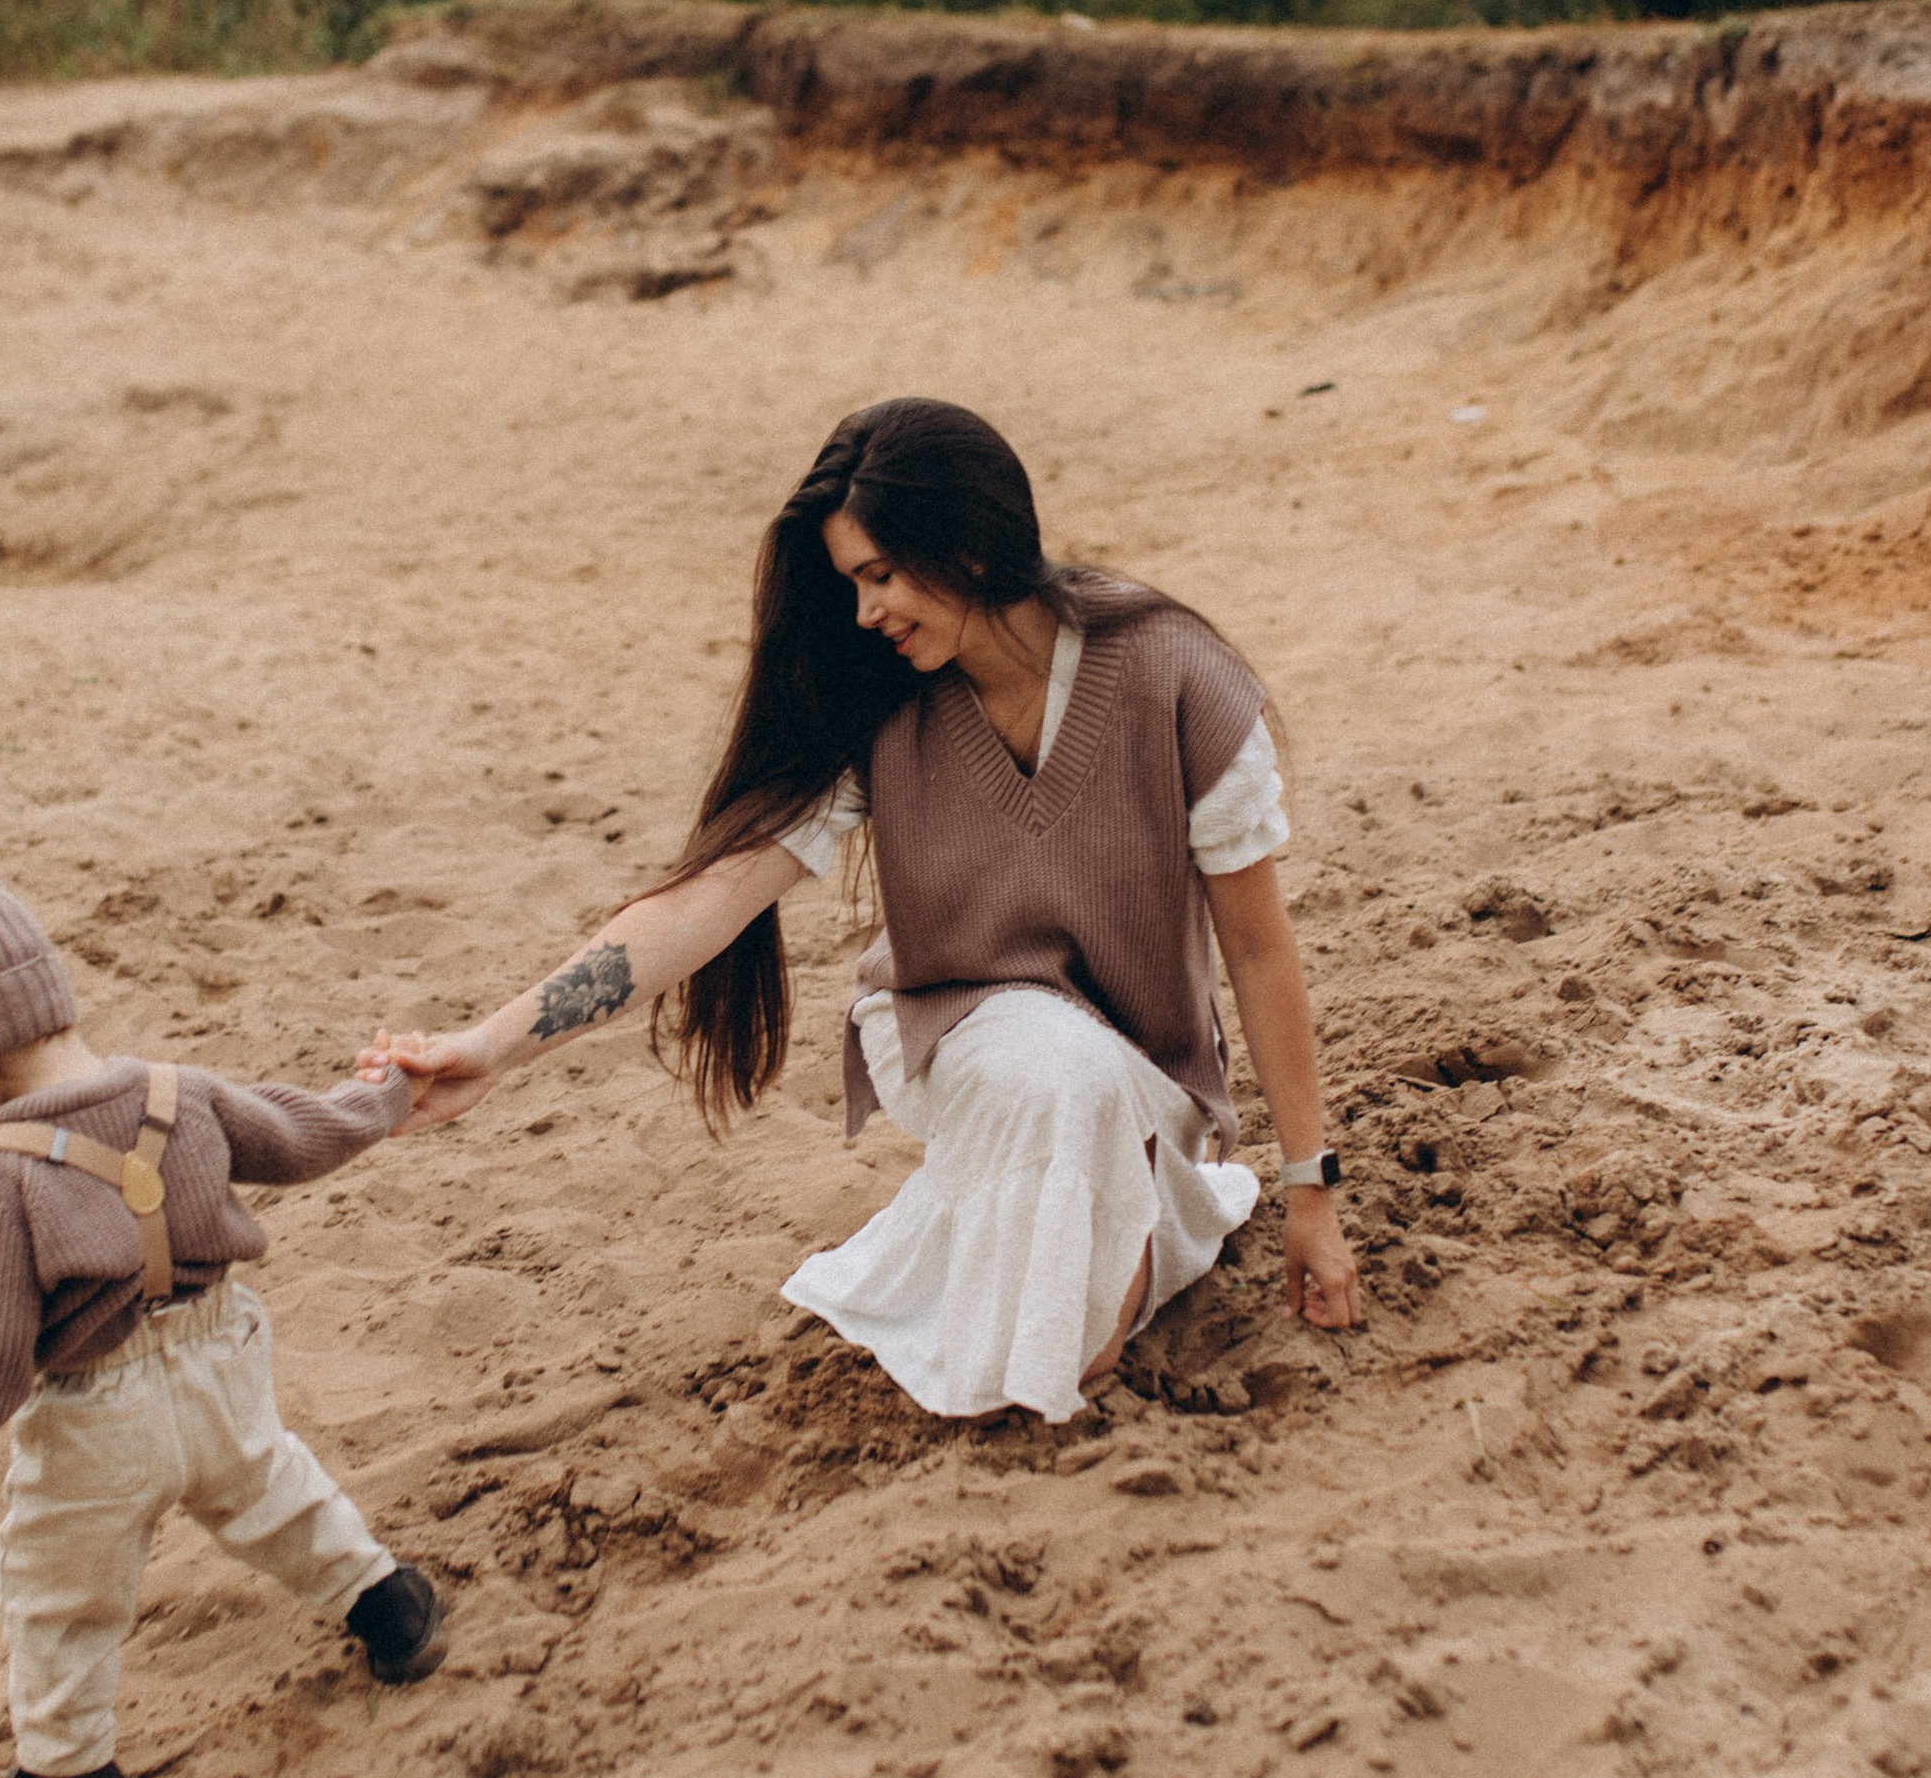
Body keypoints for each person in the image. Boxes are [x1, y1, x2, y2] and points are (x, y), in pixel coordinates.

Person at [370, 399, 1362, 1423]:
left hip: (1145, 1062)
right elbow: (706, 901)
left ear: (971, 547)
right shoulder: (879, 700)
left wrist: (1308, 1191)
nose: (863, 614)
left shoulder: (1177, 676)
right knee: (1055, 1114)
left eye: (879, 575)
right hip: (970, 1026)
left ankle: (1132, 1206)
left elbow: (1257, 950)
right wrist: (491, 1046)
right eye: (851, 583)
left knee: (1081, 1216)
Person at [0, 836, 443, 1778]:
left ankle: (67, 1763)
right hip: (222, 1358)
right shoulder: (185, 1094)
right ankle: (386, 1605)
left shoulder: (0, 1177)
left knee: (58, 1584)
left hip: (98, 1415)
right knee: (272, 1491)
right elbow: (305, 1134)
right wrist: (386, 1093)